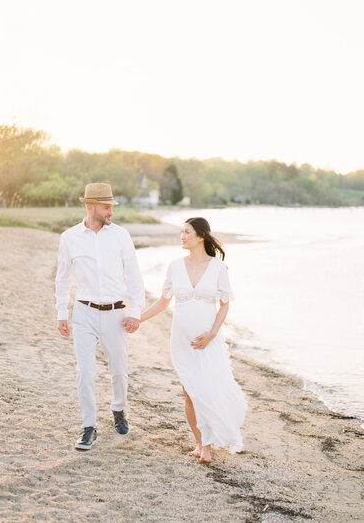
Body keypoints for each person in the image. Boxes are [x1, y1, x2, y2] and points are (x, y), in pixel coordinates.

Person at [140, 217, 246, 463]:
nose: (182, 236)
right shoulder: (175, 266)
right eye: (181, 232)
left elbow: (225, 304)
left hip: (209, 339)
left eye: (187, 232)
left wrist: (212, 334)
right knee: (189, 392)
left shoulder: (218, 267)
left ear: (200, 236)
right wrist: (138, 319)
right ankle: (199, 441)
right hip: (181, 340)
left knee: (205, 389)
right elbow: (163, 301)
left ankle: (207, 446)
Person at [55, 183, 144, 450]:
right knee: (85, 371)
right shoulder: (70, 237)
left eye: (112, 207)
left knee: (119, 369)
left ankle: (118, 409)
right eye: (107, 207)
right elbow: (62, 279)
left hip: (116, 313)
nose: (111, 212)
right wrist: (61, 313)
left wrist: (136, 312)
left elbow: (135, 277)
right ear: (90, 206)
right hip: (84, 312)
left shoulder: (121, 236)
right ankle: (88, 426)